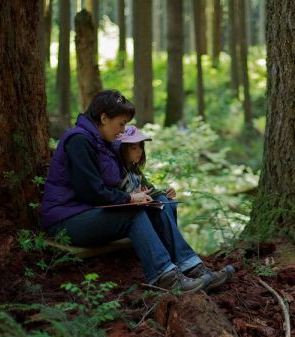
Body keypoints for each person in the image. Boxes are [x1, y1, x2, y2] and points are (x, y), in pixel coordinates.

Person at [40, 89, 230, 294]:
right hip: (67, 220)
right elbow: (92, 192)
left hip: (90, 213)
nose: (123, 130)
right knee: (133, 212)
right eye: (121, 123)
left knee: (161, 204)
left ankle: (191, 267)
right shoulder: (79, 141)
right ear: (104, 118)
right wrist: (130, 198)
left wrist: (149, 194)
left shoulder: (104, 142)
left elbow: (125, 176)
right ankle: (165, 278)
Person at [113, 125, 233, 291]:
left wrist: (164, 192)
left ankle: (192, 267)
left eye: (141, 146)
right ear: (121, 148)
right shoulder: (115, 170)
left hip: (140, 213)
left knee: (164, 201)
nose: (139, 150)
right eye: (133, 147)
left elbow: (150, 190)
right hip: (125, 217)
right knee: (158, 204)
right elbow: (113, 195)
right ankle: (173, 274)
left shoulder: (135, 170)